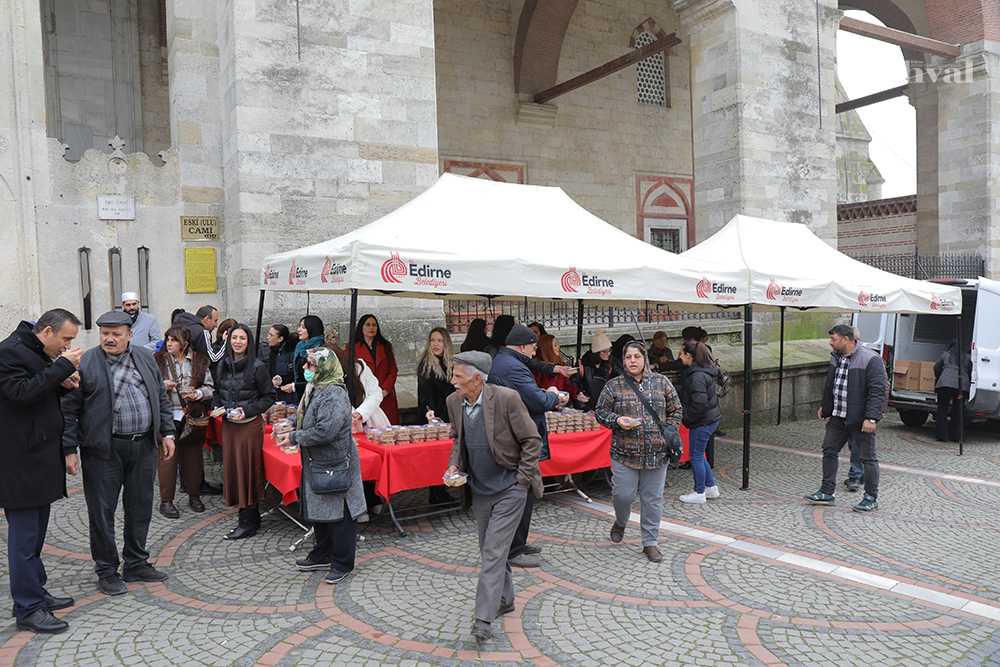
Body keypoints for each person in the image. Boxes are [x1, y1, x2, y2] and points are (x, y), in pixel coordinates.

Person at [61, 311, 175, 595]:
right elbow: (69, 408)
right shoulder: (87, 361)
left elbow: (160, 395)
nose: (109, 339)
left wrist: (167, 432)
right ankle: (107, 569)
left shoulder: (145, 357)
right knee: (102, 511)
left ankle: (136, 562)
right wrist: (68, 449)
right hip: (103, 449)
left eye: (116, 334)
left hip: (143, 446)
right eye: (104, 333)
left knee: (140, 506)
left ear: (130, 335)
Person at [443, 351, 543, 642]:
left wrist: (522, 482)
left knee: (492, 553)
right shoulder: (454, 402)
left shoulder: (506, 398)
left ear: (477, 379)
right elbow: (458, 439)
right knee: (492, 549)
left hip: (511, 488)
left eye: (458, 377)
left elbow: (532, 440)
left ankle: (483, 620)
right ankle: (505, 599)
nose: (453, 382)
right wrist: (454, 465)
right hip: (480, 490)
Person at [0, 309, 83, 634]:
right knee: (23, 543)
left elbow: (35, 391)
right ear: (47, 331)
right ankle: (28, 609)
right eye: (66, 339)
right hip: (20, 465)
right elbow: (18, 394)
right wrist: (62, 367)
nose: (67, 346)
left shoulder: (33, 351)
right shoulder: (9, 351)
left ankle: (37, 592)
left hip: (38, 461)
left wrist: (61, 384)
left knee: (34, 541)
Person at [276, 348, 365, 585]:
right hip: (319, 462)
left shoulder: (334, 394)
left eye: (311, 365)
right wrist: (290, 422)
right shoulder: (316, 387)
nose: (305, 368)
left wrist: (295, 437)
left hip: (336, 463)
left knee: (340, 515)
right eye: (307, 364)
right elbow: (306, 414)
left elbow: (326, 431)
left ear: (325, 367)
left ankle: (342, 562)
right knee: (322, 512)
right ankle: (323, 553)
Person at [488, 324, 567, 569]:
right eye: (533, 347)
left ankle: (518, 543)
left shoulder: (502, 360)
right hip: (518, 441)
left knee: (523, 493)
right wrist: (555, 395)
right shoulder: (513, 366)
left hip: (510, 437)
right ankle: (513, 550)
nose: (535, 352)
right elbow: (538, 401)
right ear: (523, 346)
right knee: (520, 494)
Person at [595, 341, 682, 563]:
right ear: (623, 360)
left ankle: (650, 542)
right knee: (622, 495)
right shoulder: (614, 385)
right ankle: (621, 521)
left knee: (652, 499)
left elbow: (676, 409)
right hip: (624, 453)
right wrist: (617, 420)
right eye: (628, 357)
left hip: (656, 453)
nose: (632, 361)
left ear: (645, 359)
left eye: (637, 356)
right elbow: (600, 412)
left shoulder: (661, 382)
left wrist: (667, 432)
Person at [806, 324, 886, 513]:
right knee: (829, 450)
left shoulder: (870, 359)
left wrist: (871, 418)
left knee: (868, 458)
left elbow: (878, 391)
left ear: (846, 339)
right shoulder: (836, 357)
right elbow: (832, 385)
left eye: (833, 339)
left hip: (860, 419)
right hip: (838, 417)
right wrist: (825, 407)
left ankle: (870, 498)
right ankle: (826, 493)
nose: (830, 342)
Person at [213, 324, 277, 539]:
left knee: (248, 471)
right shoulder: (223, 364)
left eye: (242, 338)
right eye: (234, 338)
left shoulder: (258, 367)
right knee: (234, 470)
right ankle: (250, 516)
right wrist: (216, 406)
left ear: (248, 342)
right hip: (229, 426)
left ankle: (247, 521)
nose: (238, 342)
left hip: (249, 425)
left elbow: (269, 396)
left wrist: (246, 409)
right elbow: (216, 392)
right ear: (228, 340)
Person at [154, 325, 214, 518]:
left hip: (192, 417)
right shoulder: (157, 361)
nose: (169, 343)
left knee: (193, 458)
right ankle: (166, 501)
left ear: (185, 343)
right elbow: (147, 387)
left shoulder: (200, 361)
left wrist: (197, 394)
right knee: (167, 459)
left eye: (174, 340)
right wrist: (162, 387)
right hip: (166, 417)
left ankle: (194, 495)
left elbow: (210, 388)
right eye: (168, 339)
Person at [677, 341, 722, 503]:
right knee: (699, 454)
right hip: (708, 420)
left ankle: (699, 492)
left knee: (695, 455)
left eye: (681, 353)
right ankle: (711, 487)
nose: (680, 356)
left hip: (702, 421)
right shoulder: (700, 371)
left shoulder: (697, 376)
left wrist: (688, 418)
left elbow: (700, 403)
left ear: (689, 355)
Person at [418, 327, 457, 505]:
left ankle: (444, 489)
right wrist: (429, 410)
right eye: (432, 340)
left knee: (446, 454)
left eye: (439, 340)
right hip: (432, 415)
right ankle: (435, 492)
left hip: (448, 414)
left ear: (446, 343)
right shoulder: (426, 363)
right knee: (434, 457)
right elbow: (424, 390)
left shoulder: (451, 363)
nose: (435, 344)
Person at [354, 314, 400, 424]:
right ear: (362, 327)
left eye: (374, 325)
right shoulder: (352, 347)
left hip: (385, 395)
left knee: (389, 429)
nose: (371, 328)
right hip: (366, 396)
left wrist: (385, 390)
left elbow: (393, 370)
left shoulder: (385, 346)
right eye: (368, 325)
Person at [934, 338, 971, 442]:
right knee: (958, 410)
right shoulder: (967, 358)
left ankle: (942, 435)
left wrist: (939, 377)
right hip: (961, 385)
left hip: (945, 384)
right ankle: (957, 436)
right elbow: (970, 372)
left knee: (942, 409)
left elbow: (936, 368)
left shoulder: (945, 355)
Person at [573, 329, 613, 411]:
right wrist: (584, 408)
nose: (608, 354)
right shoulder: (582, 365)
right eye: (605, 351)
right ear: (597, 352)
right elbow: (573, 388)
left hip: (603, 409)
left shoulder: (610, 364)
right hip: (586, 410)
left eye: (609, 350)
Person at [533, 335, 577, 403]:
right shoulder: (538, 366)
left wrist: (576, 393)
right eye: (555, 345)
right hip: (544, 406)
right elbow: (535, 390)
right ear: (547, 348)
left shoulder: (560, 362)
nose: (558, 346)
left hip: (558, 406)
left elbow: (566, 384)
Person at [291, 315, 326, 401]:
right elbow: (297, 372)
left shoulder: (320, 350)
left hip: (315, 396)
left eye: (303, 327)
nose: (298, 329)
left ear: (312, 329)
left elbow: (319, 381)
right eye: (300, 326)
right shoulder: (300, 347)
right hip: (300, 395)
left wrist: (295, 386)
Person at [266, 324, 298, 399]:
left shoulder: (291, 352)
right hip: (277, 395)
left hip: (290, 396)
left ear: (280, 339)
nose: (268, 337)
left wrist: (281, 379)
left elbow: (295, 375)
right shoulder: (273, 352)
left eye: (271, 335)